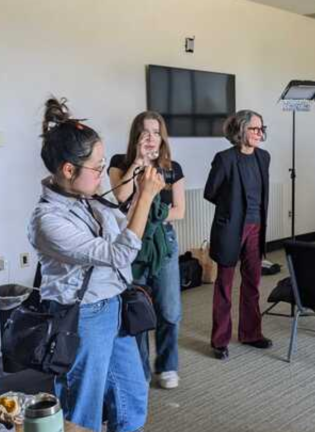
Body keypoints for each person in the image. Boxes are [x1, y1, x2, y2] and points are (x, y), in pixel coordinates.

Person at [29, 98, 164, 432]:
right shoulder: (48, 220)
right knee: (82, 409)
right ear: (68, 170)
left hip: (114, 306)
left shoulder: (89, 200)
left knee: (132, 399)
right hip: (83, 317)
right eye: (96, 167)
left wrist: (140, 190)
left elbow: (124, 230)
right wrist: (146, 197)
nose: (102, 173)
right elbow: (120, 254)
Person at [108, 111, 186, 389]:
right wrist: (139, 162)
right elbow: (120, 197)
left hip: (164, 241)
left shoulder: (172, 168)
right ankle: (139, 371)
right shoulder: (120, 163)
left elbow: (179, 211)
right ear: (136, 136)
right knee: (137, 309)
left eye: (156, 132)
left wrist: (151, 214)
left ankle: (167, 366)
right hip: (132, 242)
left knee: (169, 310)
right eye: (145, 132)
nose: (151, 138)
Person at [205, 109, 272, 360]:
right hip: (231, 228)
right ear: (241, 130)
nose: (259, 133)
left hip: (257, 227)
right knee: (224, 286)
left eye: (262, 128)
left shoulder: (264, 157)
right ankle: (220, 340)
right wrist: (232, 208)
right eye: (255, 128)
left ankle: (251, 334)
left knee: (253, 282)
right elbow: (210, 192)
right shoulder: (224, 159)